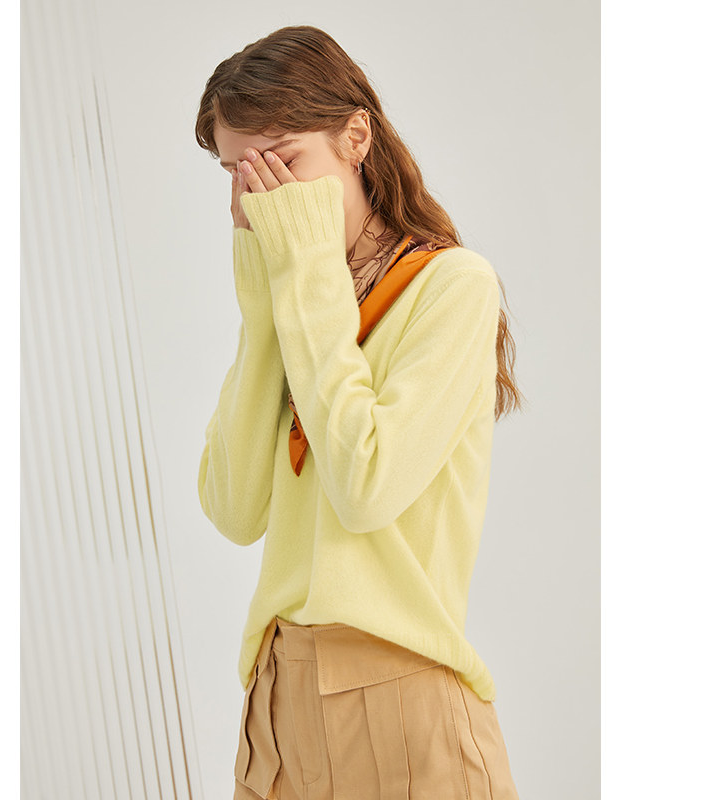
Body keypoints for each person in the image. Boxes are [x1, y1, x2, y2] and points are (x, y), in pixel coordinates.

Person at [195, 24, 525, 800]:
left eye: (283, 161)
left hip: (396, 691)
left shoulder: (452, 287)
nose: (263, 195)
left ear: (355, 137)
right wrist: (264, 310)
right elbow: (234, 509)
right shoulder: (297, 306)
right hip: (279, 695)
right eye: (238, 171)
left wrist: (306, 275)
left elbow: (365, 486)